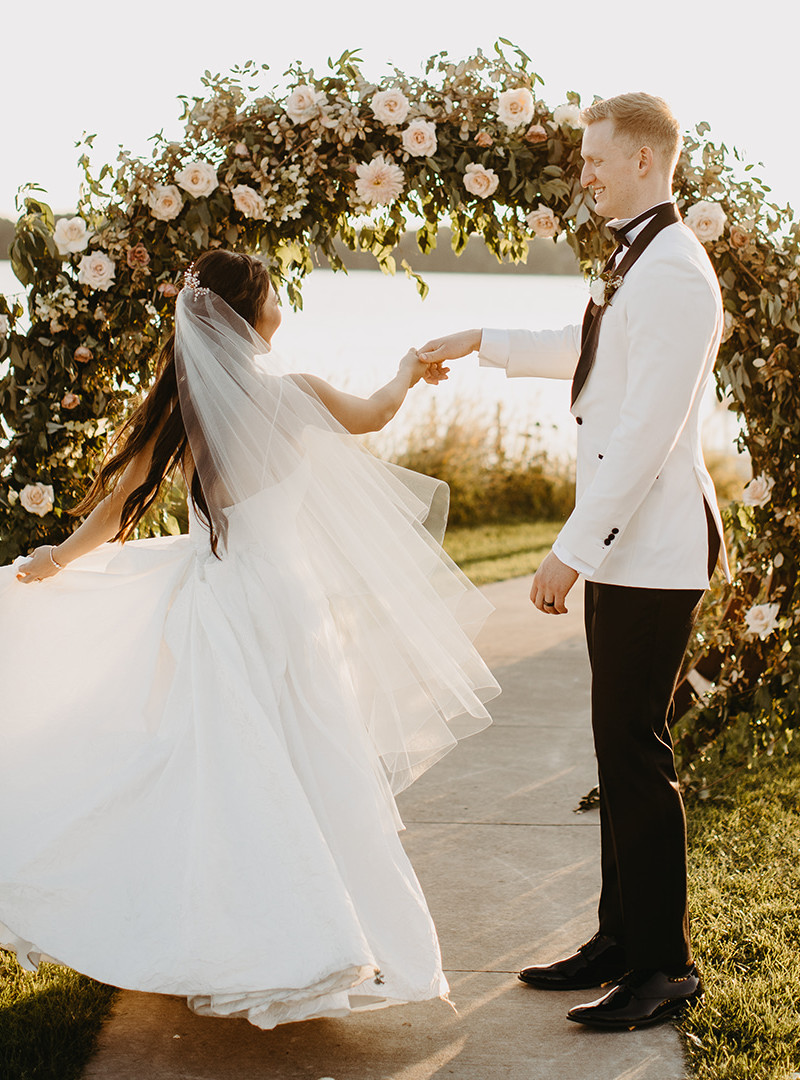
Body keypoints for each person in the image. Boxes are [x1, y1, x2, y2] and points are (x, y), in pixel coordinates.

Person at [0, 249, 499, 1029]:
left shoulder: (184, 408)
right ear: (245, 315)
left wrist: (58, 558)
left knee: (229, 771)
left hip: (222, 602)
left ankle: (240, 936)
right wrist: (406, 368)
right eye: (271, 298)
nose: (281, 311)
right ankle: (309, 941)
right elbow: (375, 413)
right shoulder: (293, 396)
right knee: (310, 764)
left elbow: (119, 502)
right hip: (285, 603)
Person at [418, 92, 730, 1030]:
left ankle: (664, 968)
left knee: (635, 752)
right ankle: (617, 939)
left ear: (644, 161)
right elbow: (595, 356)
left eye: (596, 159)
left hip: (653, 548)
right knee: (615, 744)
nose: (583, 172)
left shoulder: (674, 270)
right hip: (630, 550)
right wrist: (482, 339)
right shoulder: (641, 261)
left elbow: (644, 432)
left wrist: (568, 551)